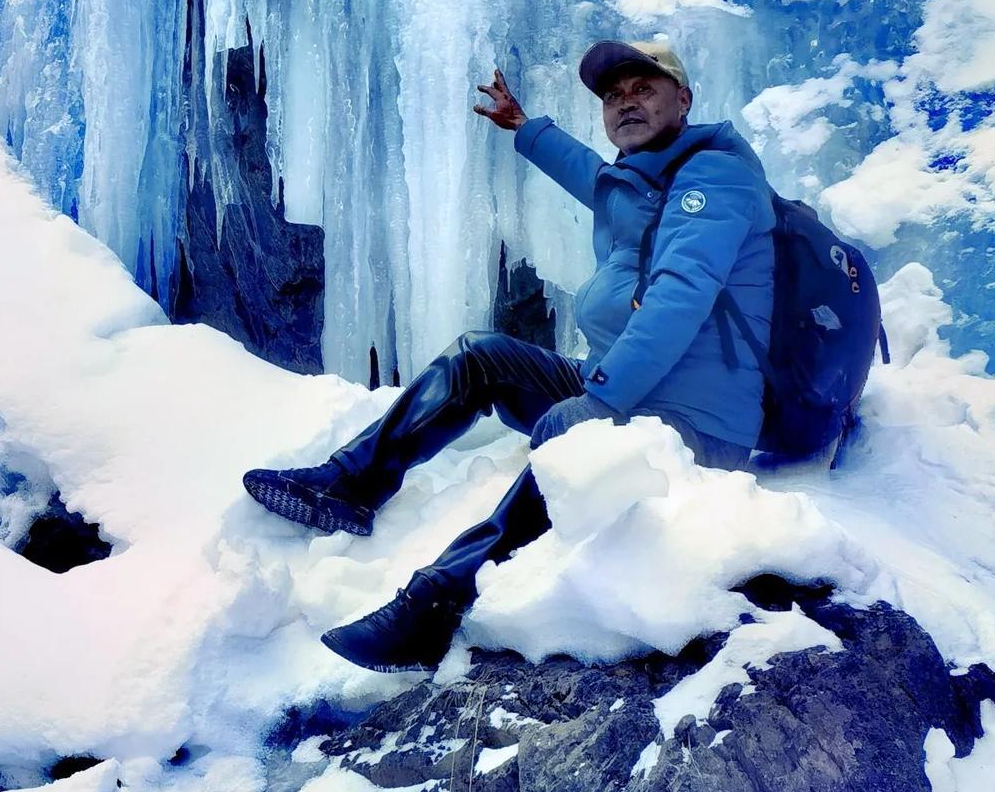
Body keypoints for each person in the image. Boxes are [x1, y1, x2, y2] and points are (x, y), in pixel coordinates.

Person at [243, 39, 775, 673]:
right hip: (643, 393)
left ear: (683, 99)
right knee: (482, 356)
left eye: (643, 88)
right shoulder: (650, 181)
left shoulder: (714, 176)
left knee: (573, 438)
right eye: (612, 96)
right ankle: (350, 485)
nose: (624, 102)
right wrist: (527, 129)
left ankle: (437, 604)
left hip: (700, 421)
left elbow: (681, 295)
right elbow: (597, 181)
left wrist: (598, 401)